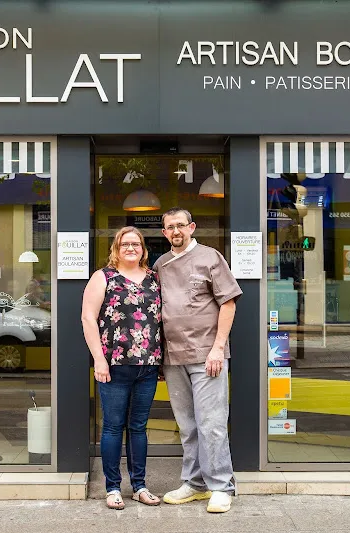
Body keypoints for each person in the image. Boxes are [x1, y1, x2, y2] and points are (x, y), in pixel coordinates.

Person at [153, 207, 242, 514]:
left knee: (212, 423)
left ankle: (221, 486)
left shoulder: (210, 257)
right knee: (187, 425)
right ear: (164, 233)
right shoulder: (161, 264)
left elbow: (228, 303)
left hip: (208, 356)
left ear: (191, 227)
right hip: (173, 356)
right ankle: (194, 483)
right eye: (169, 227)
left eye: (180, 225)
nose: (175, 231)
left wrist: (218, 348)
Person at [81, 226, 163, 510]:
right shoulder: (102, 277)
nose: (131, 248)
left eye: (136, 244)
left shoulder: (154, 279)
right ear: (116, 248)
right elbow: (88, 319)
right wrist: (99, 359)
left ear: (143, 249)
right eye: (125, 244)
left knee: (139, 428)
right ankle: (113, 488)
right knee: (114, 428)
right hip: (113, 366)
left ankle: (139, 486)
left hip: (148, 366)